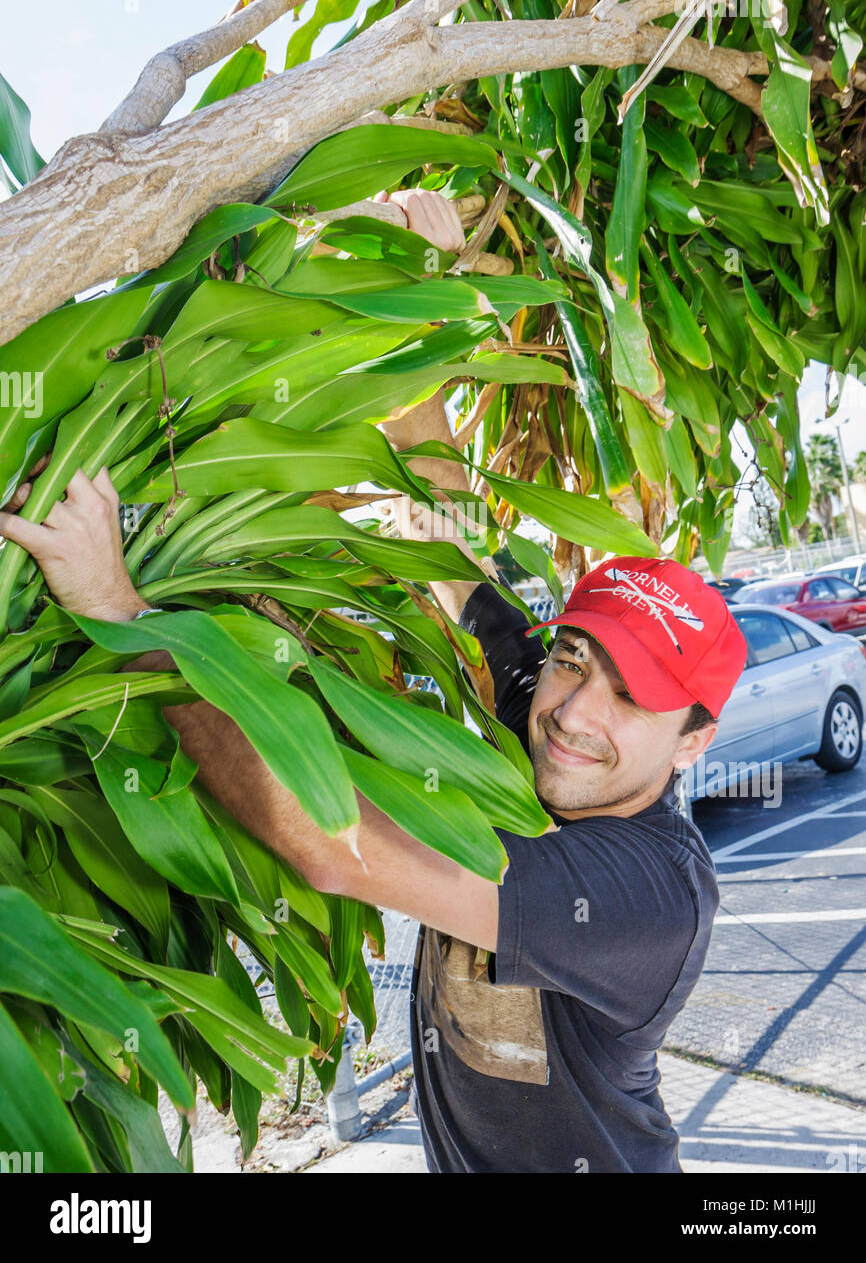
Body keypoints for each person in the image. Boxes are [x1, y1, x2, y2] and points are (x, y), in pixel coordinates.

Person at [0, 188, 748, 1174]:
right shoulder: (543, 712)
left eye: (631, 695)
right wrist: (406, 287)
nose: (573, 710)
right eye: (574, 658)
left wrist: (134, 618)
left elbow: (334, 845)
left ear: (692, 738)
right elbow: (440, 540)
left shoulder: (646, 892)